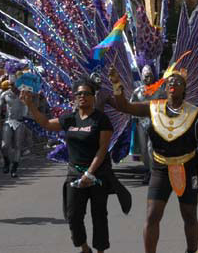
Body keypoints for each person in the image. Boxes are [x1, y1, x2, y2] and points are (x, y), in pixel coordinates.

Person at [108, 67, 198, 253]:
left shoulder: (194, 113)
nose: (173, 84)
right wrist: (117, 84)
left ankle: (191, 251)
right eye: (170, 83)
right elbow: (124, 107)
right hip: (160, 167)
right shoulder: (153, 108)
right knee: (152, 216)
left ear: (184, 89)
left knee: (189, 215)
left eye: (178, 82)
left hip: (187, 167)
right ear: (165, 89)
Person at [23, 76, 129, 253]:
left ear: (93, 97)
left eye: (87, 94)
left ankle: (101, 250)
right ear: (74, 97)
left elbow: (103, 149)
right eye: (79, 94)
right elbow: (46, 123)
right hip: (75, 174)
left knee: (99, 215)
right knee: (73, 216)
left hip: (97, 175)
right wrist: (30, 105)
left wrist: (90, 173)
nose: (82, 97)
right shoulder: (69, 119)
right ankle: (84, 248)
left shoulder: (101, 120)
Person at [129, 65, 164, 185]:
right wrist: (134, 117)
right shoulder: (137, 91)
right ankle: (148, 170)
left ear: (153, 76)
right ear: (142, 77)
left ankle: (154, 171)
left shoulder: (159, 90)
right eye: (145, 76)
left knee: (151, 148)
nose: (147, 78)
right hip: (141, 124)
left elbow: (165, 104)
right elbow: (131, 105)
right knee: (144, 150)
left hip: (155, 123)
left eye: (149, 76)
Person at [0, 82, 28, 177]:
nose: (12, 87)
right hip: (9, 121)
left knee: (17, 145)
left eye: (14, 84)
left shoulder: (24, 93)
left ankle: (14, 168)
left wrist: (26, 118)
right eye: (11, 85)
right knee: (4, 145)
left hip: (20, 122)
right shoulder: (5, 94)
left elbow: (27, 107)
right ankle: (7, 161)